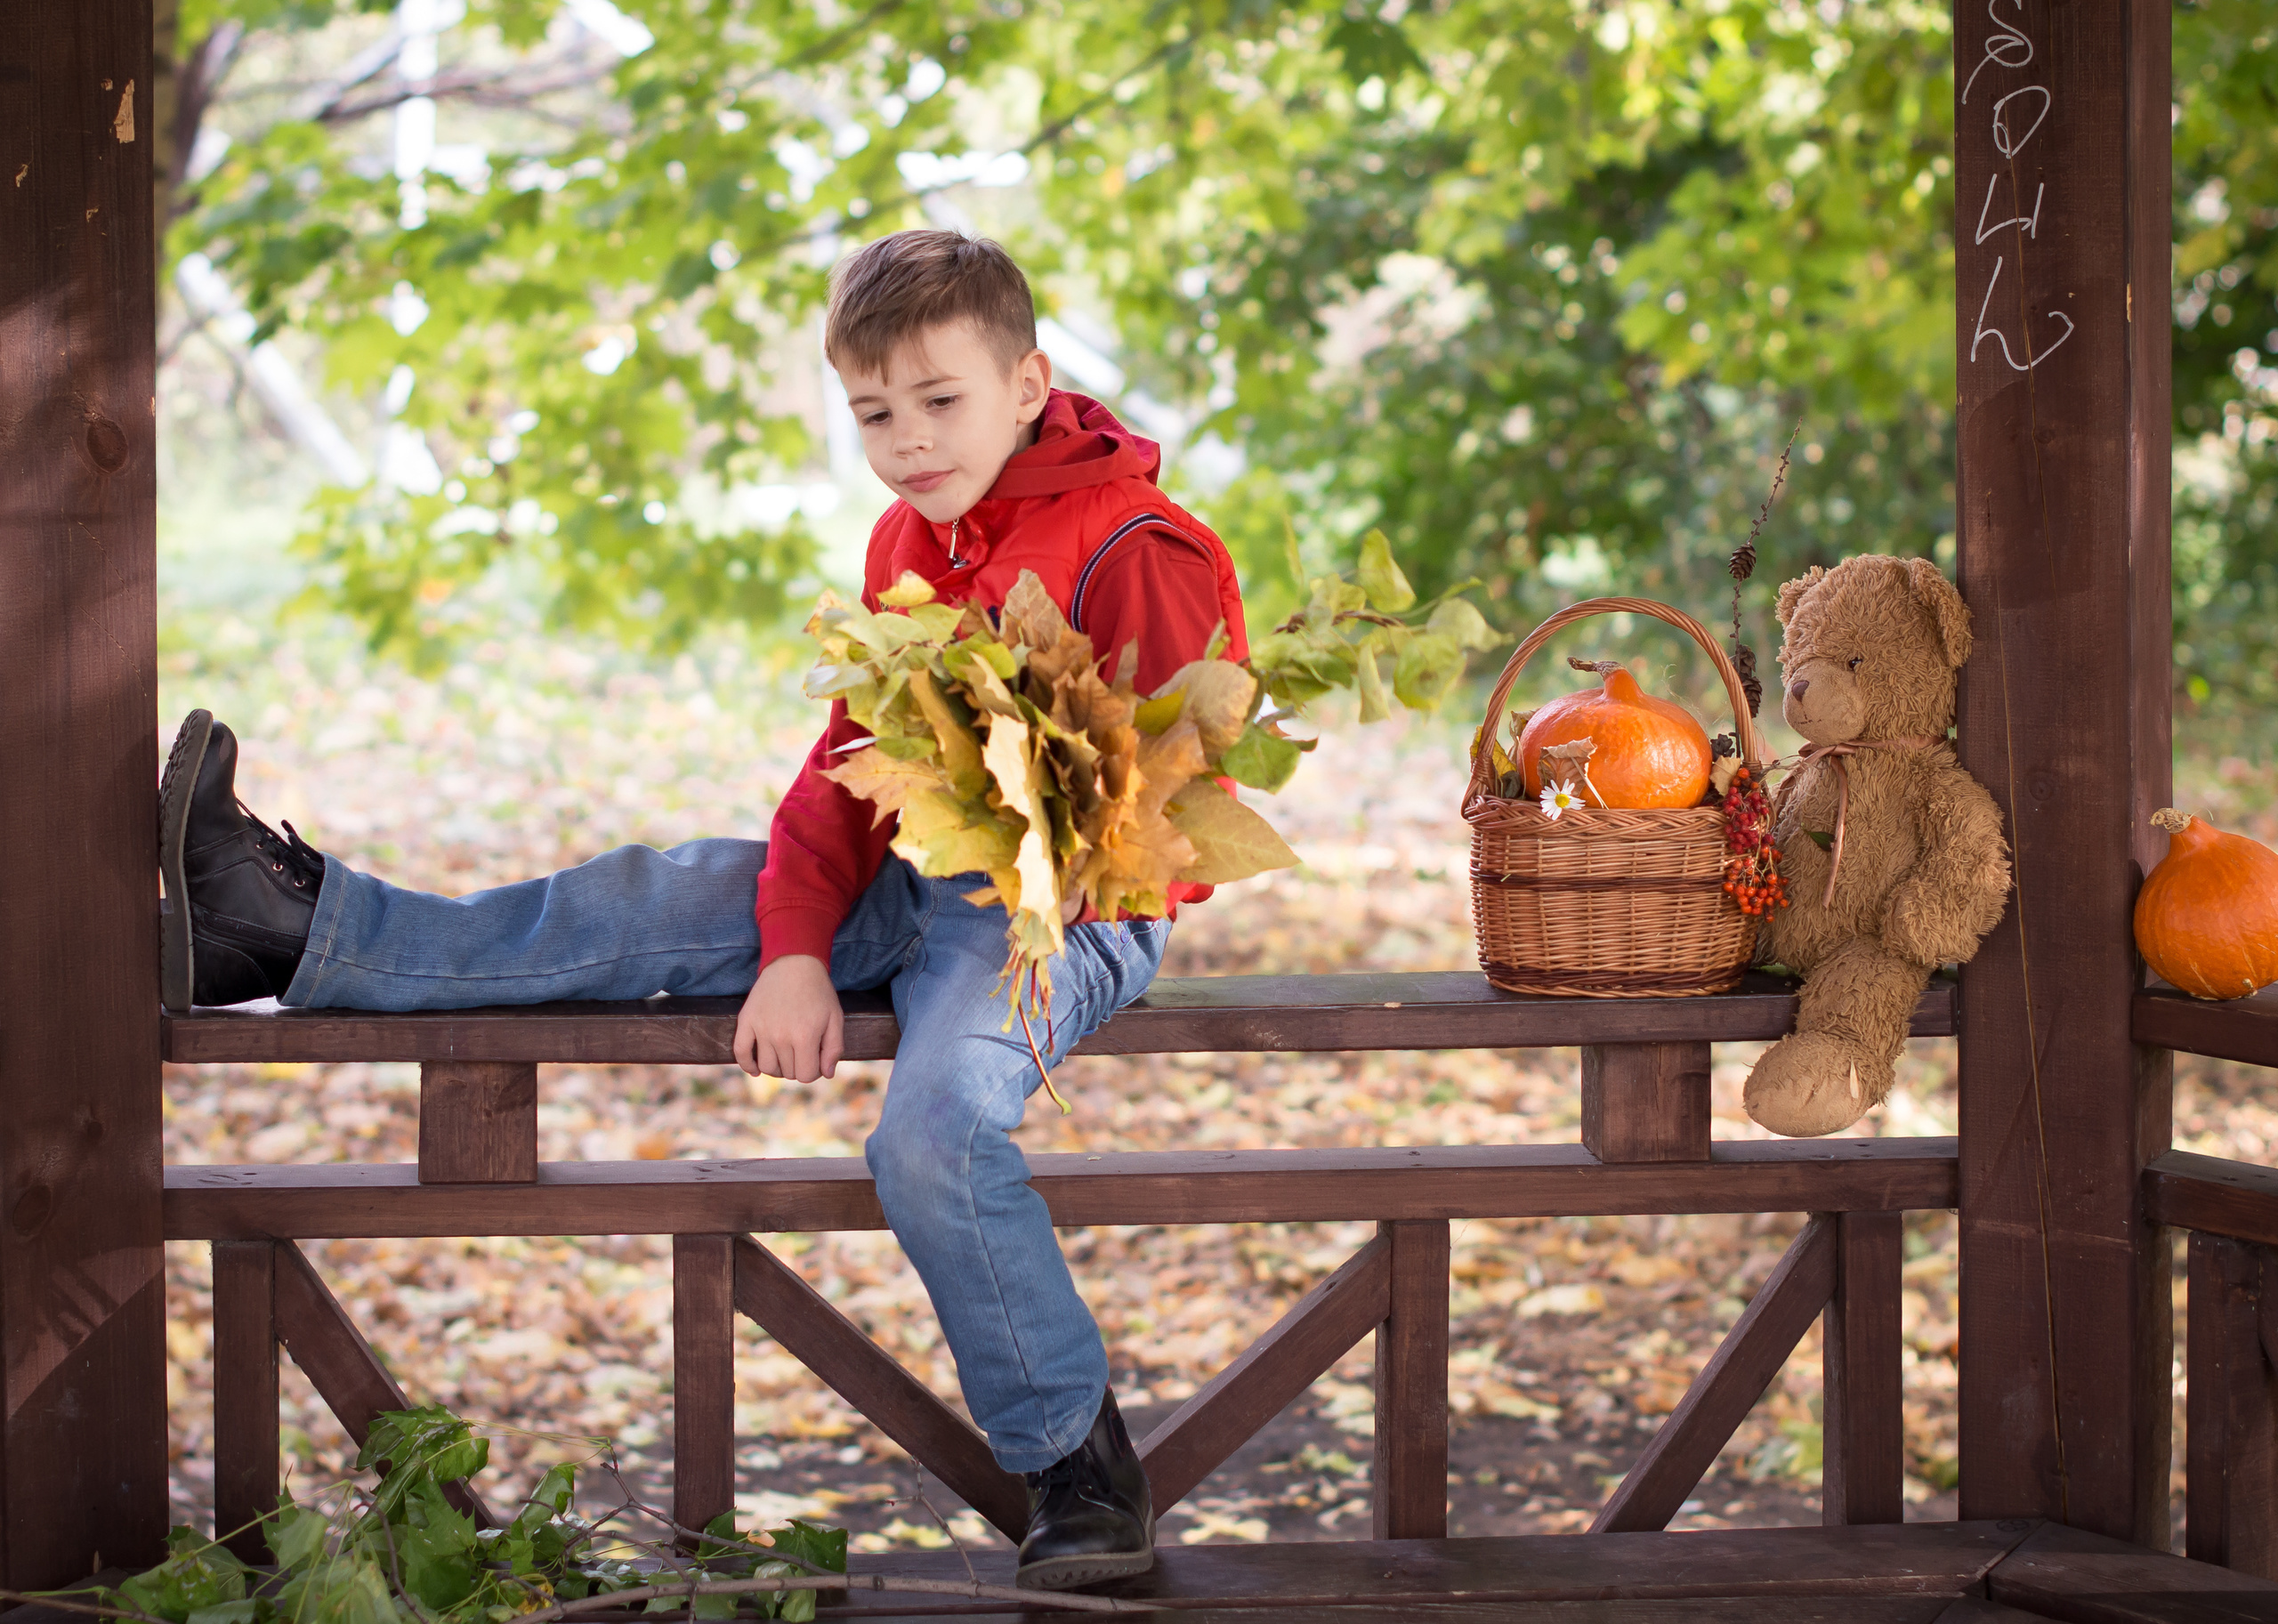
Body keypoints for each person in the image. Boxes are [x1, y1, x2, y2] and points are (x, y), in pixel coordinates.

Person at [158, 228, 1248, 1592]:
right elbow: (851, 768)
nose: (908, 441)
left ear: (1028, 383)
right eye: (874, 414)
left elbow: (1177, 827)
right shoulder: (910, 536)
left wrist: (1044, 840)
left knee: (933, 1135)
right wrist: (794, 950)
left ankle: (1078, 1465)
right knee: (650, 894)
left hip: (1061, 915)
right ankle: (284, 925)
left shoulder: (1135, 547)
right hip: (913, 872)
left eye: (939, 399)